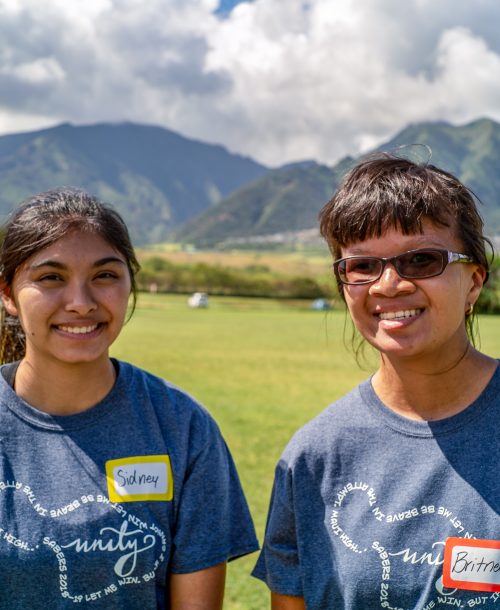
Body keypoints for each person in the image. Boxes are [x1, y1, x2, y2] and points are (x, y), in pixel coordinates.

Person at [252, 153, 500, 609]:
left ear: (474, 282)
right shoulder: (313, 457)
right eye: (362, 266)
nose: (388, 285)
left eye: (422, 260)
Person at [0, 188, 258, 609]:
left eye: (104, 275)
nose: (81, 303)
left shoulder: (183, 427)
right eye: (51, 277)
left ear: (129, 283)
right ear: (8, 294)